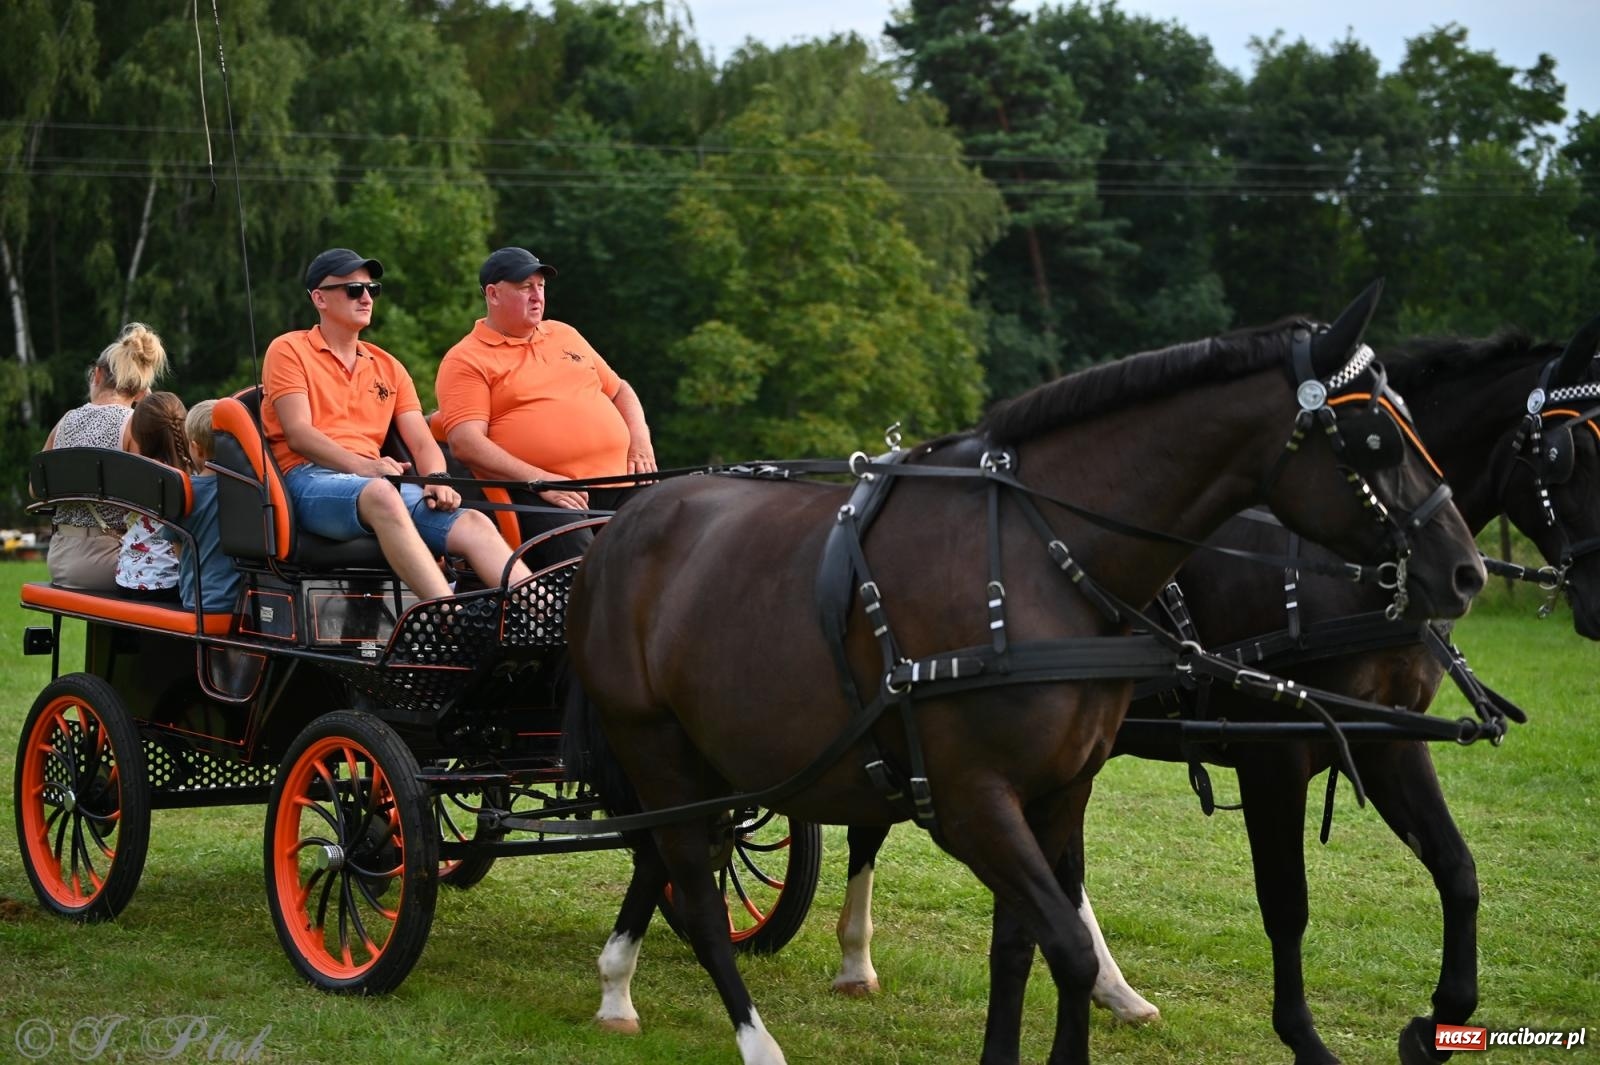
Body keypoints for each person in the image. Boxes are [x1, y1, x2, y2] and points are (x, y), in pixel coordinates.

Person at [260, 247, 532, 601]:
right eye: (353, 290)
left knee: (475, 522)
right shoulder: (288, 349)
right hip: (308, 478)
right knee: (382, 494)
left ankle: (542, 620)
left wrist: (436, 478)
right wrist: (366, 467)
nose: (366, 297)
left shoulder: (389, 366)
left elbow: (422, 442)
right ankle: (446, 617)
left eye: (372, 289)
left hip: (378, 484)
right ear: (319, 299)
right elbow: (299, 434)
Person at [434, 247, 656, 557]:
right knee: (583, 581)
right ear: (493, 294)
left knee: (677, 548)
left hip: (623, 480)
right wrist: (540, 480)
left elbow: (620, 390)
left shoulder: (565, 334)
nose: (537, 295)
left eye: (540, 286)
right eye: (525, 287)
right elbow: (465, 442)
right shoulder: (466, 358)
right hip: (543, 493)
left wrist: (640, 440)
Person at [43, 321, 170, 589]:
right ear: (141, 391)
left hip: (59, 558)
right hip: (111, 562)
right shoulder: (134, 424)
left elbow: (37, 486)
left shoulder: (65, 421)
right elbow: (153, 497)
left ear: (97, 375)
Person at [160, 399, 243, 614]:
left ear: (197, 449)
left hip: (198, 601)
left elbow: (177, 547)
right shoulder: (248, 489)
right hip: (243, 603)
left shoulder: (183, 491)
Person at [115, 391, 189, 602]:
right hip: (170, 584)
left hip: (126, 580)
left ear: (137, 435)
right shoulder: (187, 477)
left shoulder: (128, 475)